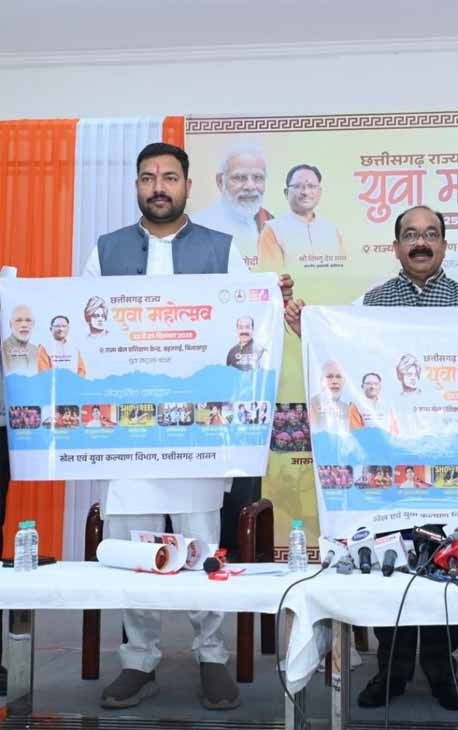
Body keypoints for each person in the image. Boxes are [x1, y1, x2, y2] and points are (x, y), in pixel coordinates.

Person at [82, 142, 293, 712]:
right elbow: (85, 325)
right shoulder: (105, 251)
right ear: (136, 186)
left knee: (201, 545)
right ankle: (138, 660)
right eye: (148, 177)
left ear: (187, 186)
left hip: (197, 432)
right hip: (129, 431)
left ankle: (211, 656)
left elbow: (249, 319)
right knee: (132, 548)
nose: (158, 187)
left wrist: (273, 300)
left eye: (169, 177)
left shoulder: (221, 249)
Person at [284, 204, 458, 712]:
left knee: (443, 562)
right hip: (386, 463)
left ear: (444, 245)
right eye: (410, 235)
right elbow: (340, 354)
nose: (421, 242)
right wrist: (308, 331)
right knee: (391, 562)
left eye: (430, 234)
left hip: (445, 459)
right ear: (395, 247)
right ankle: (390, 668)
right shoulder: (370, 303)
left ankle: (441, 667)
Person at [191, 143, 272, 267]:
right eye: (239, 177)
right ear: (220, 181)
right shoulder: (197, 228)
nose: (250, 186)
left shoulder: (271, 223)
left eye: (258, 177)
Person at [257, 163, 346, 271]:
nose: (306, 192)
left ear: (319, 192)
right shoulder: (273, 230)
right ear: (286, 193)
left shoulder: (332, 230)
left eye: (312, 186)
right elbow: (272, 276)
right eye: (298, 186)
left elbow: (343, 271)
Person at [2, 305, 39, 374]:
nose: (24, 325)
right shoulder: (3, 349)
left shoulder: (37, 351)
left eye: (28, 320)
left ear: (33, 324)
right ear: (10, 324)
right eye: (19, 320)